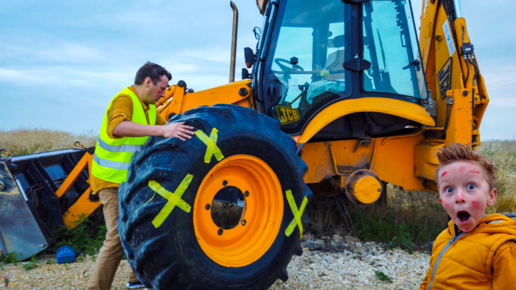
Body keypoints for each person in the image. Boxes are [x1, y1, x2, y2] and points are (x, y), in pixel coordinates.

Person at [87, 62, 195, 290]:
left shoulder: (148, 109)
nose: (164, 93)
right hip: (111, 181)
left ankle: (136, 279)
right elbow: (116, 127)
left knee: (143, 229)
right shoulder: (124, 99)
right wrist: (162, 130)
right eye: (162, 88)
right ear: (148, 82)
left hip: (130, 182)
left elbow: (168, 131)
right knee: (117, 238)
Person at [420, 143, 516, 289]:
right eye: (449, 189)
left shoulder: (502, 248)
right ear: (442, 202)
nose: (459, 197)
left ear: (490, 196)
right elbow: (429, 279)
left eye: (471, 186)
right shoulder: (443, 238)